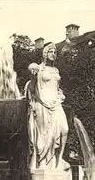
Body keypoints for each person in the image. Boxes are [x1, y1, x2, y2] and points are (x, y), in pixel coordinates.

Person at [26, 42, 68, 170]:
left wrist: (61, 94)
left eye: (55, 52)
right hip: (42, 103)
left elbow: (56, 86)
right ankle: (43, 160)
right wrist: (32, 79)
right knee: (44, 133)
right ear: (45, 53)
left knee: (65, 129)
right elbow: (32, 87)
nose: (53, 54)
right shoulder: (38, 69)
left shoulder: (56, 70)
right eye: (51, 52)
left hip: (56, 103)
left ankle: (59, 158)